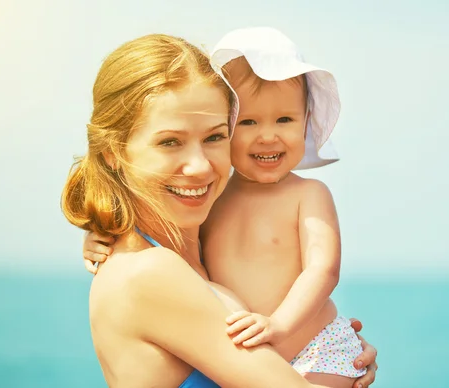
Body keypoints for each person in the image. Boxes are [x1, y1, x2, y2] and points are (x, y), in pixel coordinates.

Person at [81, 30, 379, 388]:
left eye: (214, 137)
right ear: (113, 152)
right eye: (170, 142)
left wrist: (330, 347)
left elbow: (321, 271)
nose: (200, 167)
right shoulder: (149, 272)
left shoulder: (184, 255)